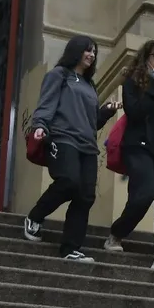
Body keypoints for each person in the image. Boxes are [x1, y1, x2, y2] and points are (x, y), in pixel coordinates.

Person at [23, 35, 120, 262]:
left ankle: (70, 249)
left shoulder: (89, 85)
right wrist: (39, 126)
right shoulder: (60, 75)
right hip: (62, 138)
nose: (92, 55)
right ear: (76, 51)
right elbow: (46, 104)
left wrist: (106, 111)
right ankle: (35, 216)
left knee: (86, 196)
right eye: (87, 50)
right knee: (68, 181)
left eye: (94, 52)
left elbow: (92, 122)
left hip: (87, 145)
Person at [104, 40, 154, 273]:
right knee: (144, 194)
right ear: (146, 58)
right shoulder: (133, 83)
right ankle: (117, 233)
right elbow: (135, 113)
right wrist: (153, 88)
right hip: (138, 148)